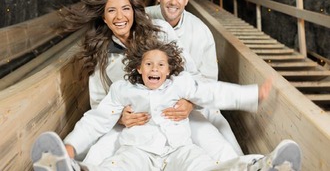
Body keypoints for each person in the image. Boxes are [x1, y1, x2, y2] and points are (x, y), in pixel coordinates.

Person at [31, 39, 301, 171]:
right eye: (148, 64)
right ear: (139, 67)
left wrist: (252, 95)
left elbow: (212, 93)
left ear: (170, 70)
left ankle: (256, 167)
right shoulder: (123, 89)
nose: (154, 69)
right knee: (117, 166)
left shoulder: (180, 85)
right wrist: (71, 145)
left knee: (203, 165)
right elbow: (97, 119)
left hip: (179, 150)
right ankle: (70, 168)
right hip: (138, 150)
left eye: (161, 64)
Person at [126, 0, 243, 157]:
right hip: (152, 101)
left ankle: (248, 164)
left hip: (191, 101)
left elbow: (209, 81)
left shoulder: (201, 32)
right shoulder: (141, 21)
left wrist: (191, 103)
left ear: (187, 0)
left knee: (220, 126)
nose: (173, 2)